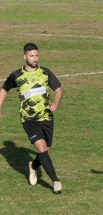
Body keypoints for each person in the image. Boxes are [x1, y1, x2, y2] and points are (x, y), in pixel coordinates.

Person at [0, 43, 63, 193]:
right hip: (29, 119)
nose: (35, 59)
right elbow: (3, 90)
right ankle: (56, 181)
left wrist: (55, 102)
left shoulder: (45, 72)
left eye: (36, 55)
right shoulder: (17, 75)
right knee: (41, 148)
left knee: (45, 152)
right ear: (25, 56)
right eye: (31, 56)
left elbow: (59, 89)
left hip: (46, 117)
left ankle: (33, 166)